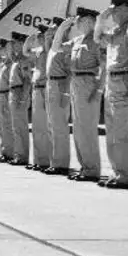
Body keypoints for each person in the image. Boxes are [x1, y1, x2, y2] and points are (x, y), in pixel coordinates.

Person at [95, 0, 128, 189]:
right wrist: (100, 19)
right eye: (112, 9)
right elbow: (98, 38)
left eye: (116, 9)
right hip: (112, 82)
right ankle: (117, 172)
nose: (112, 12)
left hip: (124, 80)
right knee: (112, 131)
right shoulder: (114, 32)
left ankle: (125, 176)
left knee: (123, 132)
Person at [66, 7, 104, 181]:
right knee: (78, 129)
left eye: (79, 21)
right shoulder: (77, 40)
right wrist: (62, 28)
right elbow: (56, 47)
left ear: (89, 21)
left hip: (88, 83)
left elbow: (104, 67)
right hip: (75, 82)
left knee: (87, 128)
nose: (76, 24)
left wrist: (98, 90)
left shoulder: (97, 40)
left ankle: (92, 169)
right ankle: (85, 166)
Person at [24, 20, 59, 170]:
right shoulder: (38, 51)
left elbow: (48, 47)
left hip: (45, 88)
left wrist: (46, 38)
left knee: (45, 127)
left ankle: (47, 161)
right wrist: (29, 39)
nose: (38, 38)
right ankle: (39, 160)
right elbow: (25, 52)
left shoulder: (49, 49)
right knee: (37, 127)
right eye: (38, 36)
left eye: (41, 35)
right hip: (36, 88)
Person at [42, 17, 73, 175]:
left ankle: (61, 164)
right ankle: (54, 160)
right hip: (51, 84)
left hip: (59, 85)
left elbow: (69, 72)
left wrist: (65, 93)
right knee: (52, 125)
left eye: (54, 29)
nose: (51, 31)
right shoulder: (53, 48)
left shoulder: (65, 47)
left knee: (59, 126)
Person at [6, 32, 33, 165]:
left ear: (22, 44)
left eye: (15, 43)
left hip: (19, 92)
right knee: (15, 126)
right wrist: (9, 46)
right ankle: (18, 154)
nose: (13, 46)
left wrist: (23, 98)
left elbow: (27, 81)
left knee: (20, 126)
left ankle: (22, 157)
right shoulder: (16, 59)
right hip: (13, 92)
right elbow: (9, 52)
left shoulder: (24, 60)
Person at [0, 39, 14, 162]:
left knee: (7, 125)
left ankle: (10, 153)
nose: (2, 50)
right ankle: (4, 152)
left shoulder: (11, 64)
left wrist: (6, 50)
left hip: (6, 94)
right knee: (1, 126)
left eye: (4, 48)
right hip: (0, 95)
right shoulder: (3, 63)